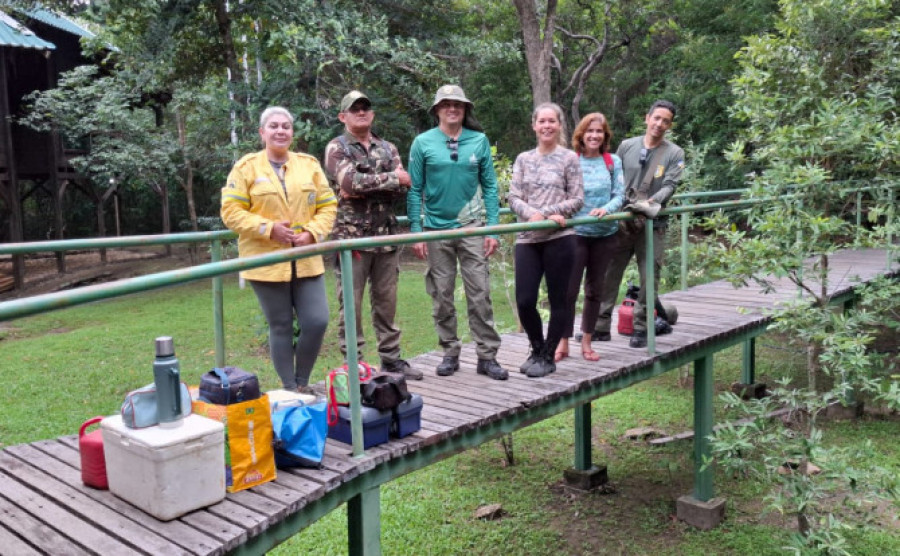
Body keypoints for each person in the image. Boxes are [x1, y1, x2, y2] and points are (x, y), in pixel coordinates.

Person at [221, 106, 337, 393]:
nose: (280, 130)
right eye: (273, 126)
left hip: (306, 258)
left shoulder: (308, 165)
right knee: (281, 325)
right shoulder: (246, 167)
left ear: (292, 133)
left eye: (285, 126)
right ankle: (290, 388)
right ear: (262, 133)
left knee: (317, 320)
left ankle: (302, 381)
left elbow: (328, 205)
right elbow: (231, 211)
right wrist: (268, 228)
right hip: (266, 260)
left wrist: (313, 233)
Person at [407, 84, 508, 380]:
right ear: (437, 109)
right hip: (436, 230)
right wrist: (416, 229)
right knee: (442, 295)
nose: (453, 109)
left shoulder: (478, 141)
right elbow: (414, 189)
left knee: (480, 293)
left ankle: (487, 356)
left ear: (465, 110)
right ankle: (450, 352)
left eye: (459, 105)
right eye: (447, 104)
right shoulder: (422, 143)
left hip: (473, 227)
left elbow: (490, 187)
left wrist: (493, 229)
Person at [323, 90, 422, 380]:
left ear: (372, 114)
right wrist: (389, 179)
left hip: (386, 237)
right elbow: (349, 182)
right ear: (343, 116)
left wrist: (368, 183)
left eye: (366, 107)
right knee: (350, 306)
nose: (362, 112)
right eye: (355, 109)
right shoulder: (336, 147)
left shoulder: (387, 147)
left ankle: (391, 360)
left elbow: (406, 184)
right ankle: (354, 365)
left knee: (386, 303)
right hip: (352, 241)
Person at [594, 100, 685, 348]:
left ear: (670, 125)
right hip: (623, 221)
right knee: (609, 273)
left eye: (665, 121)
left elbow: (671, 185)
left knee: (649, 277)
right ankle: (599, 327)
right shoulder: (627, 146)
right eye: (657, 118)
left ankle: (642, 328)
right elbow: (613, 178)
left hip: (652, 224)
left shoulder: (674, 153)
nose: (660, 124)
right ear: (647, 118)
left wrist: (651, 203)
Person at [508, 102, 584, 378]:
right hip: (528, 238)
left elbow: (577, 198)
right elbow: (514, 197)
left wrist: (551, 213)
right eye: (542, 121)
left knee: (558, 299)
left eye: (552, 121)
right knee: (525, 299)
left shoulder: (569, 159)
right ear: (534, 125)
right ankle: (536, 348)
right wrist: (534, 214)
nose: (547, 126)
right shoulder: (523, 159)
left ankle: (549, 354)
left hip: (559, 237)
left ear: (559, 125)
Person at [555, 112, 625, 362]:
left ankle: (587, 341)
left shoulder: (612, 161)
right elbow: (561, 193)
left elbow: (620, 194)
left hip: (605, 235)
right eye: (590, 131)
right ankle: (562, 343)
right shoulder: (570, 160)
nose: (594, 136)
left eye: (599, 132)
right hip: (575, 234)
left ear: (605, 136)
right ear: (581, 135)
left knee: (595, 290)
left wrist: (607, 209)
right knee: (568, 291)